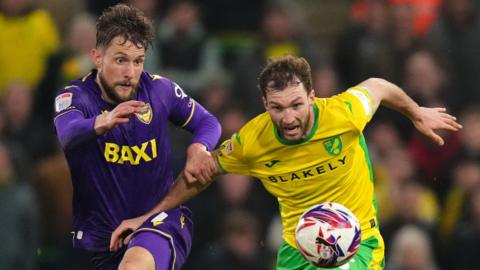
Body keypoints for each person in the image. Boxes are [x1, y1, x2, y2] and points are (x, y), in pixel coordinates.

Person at [111, 55, 462, 269]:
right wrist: (147, 216)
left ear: (312, 96)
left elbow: (378, 86)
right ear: (265, 104)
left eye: (296, 104)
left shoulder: (344, 113)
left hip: (356, 242)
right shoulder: (252, 142)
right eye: (277, 108)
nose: (289, 117)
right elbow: (200, 175)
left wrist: (415, 113)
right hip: (298, 249)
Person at [53, 4, 221, 270]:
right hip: (103, 240)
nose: (130, 72)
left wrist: (200, 147)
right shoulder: (75, 96)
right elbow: (67, 133)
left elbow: (208, 122)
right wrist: (102, 121)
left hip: (159, 222)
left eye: (138, 61)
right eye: (120, 60)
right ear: (97, 57)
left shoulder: (159, 90)